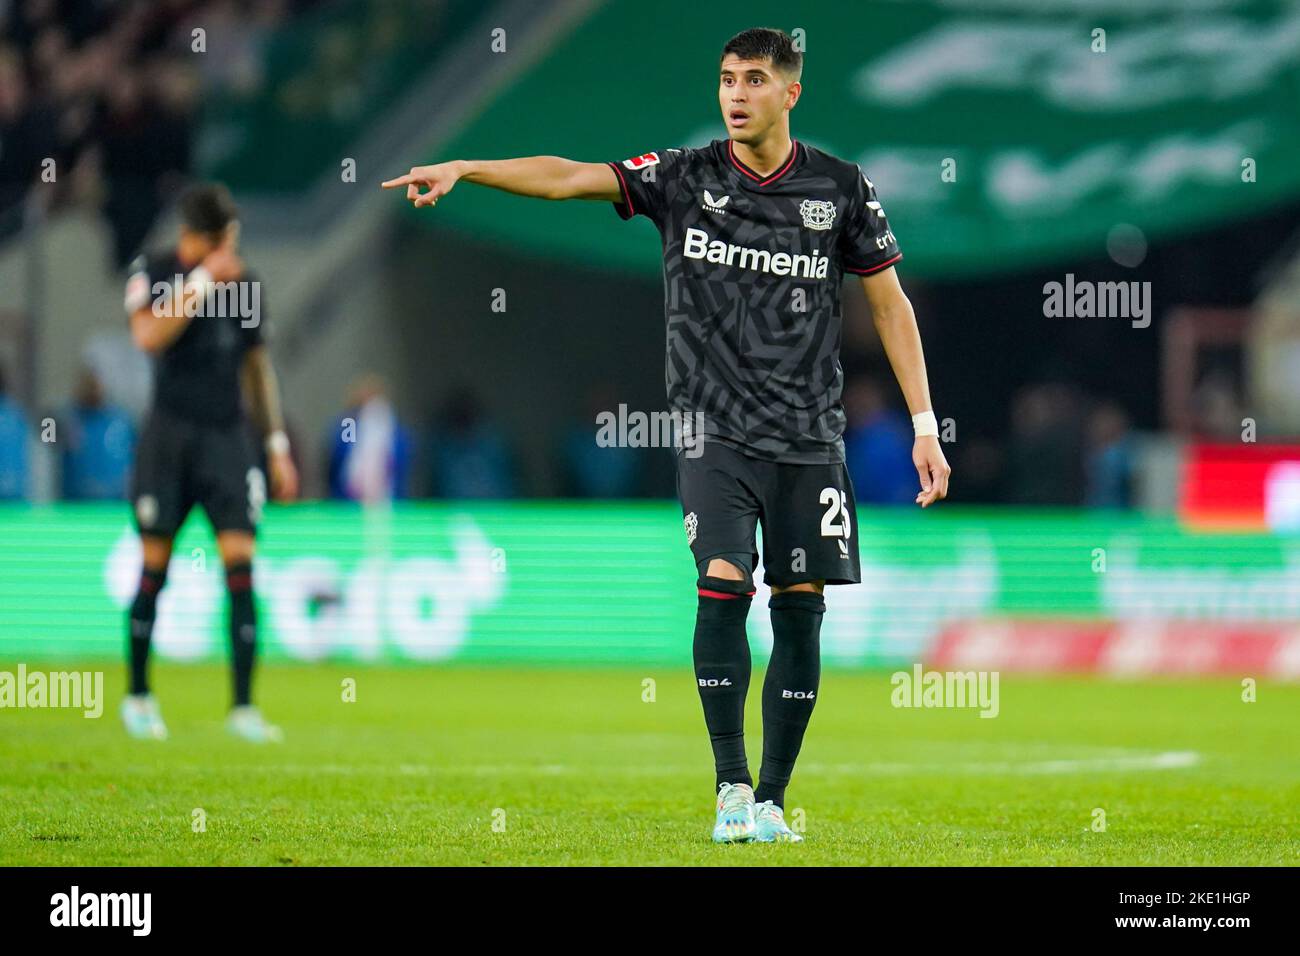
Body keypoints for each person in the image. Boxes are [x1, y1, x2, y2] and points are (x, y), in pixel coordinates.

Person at [382, 28, 950, 843]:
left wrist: (924, 426)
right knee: (722, 581)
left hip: (809, 439)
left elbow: (889, 305)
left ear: (791, 93)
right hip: (715, 433)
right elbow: (568, 180)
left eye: (755, 79)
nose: (736, 93)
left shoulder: (841, 188)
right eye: (726, 79)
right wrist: (469, 169)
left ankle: (773, 803)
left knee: (800, 607)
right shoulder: (684, 177)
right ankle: (730, 787)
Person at [120, 183, 298, 742]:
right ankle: (140, 697)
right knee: (154, 568)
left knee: (241, 569)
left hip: (227, 438)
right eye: (222, 241)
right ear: (193, 238)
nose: (230, 252)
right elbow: (148, 335)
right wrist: (199, 285)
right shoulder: (154, 268)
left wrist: (275, 445)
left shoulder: (245, 286)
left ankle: (243, 708)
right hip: (169, 438)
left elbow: (256, 368)